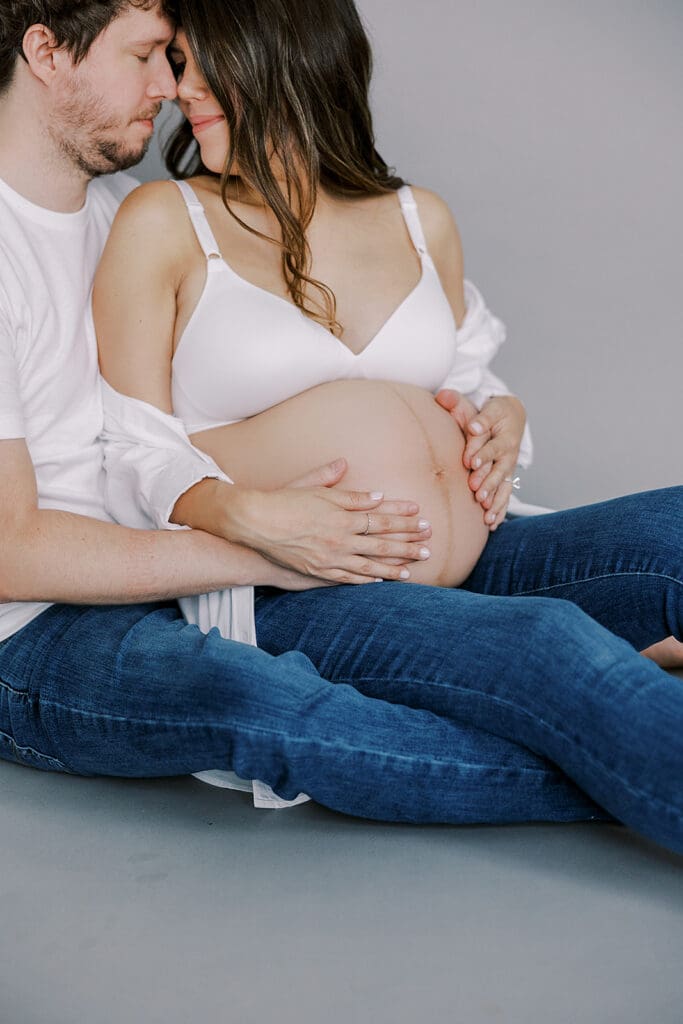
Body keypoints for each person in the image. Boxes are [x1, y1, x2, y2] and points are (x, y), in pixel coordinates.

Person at [1, 0, 682, 854]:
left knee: (672, 530)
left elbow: (456, 378)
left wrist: (502, 417)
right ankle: (620, 735)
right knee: (539, 651)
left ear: (279, 56)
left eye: (184, 58)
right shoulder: (153, 220)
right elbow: (115, 462)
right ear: (44, 54)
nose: (174, 88)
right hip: (270, 583)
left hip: (443, 548)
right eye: (157, 57)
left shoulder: (121, 203)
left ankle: (617, 716)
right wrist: (252, 528)